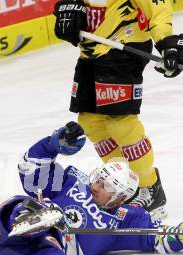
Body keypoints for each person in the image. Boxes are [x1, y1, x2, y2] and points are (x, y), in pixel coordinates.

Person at [0, 122, 183, 255]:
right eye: (99, 178)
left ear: (121, 198)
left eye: (106, 186)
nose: (97, 186)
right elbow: (31, 171)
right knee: (27, 205)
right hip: (4, 229)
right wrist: (53, 145)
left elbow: (156, 237)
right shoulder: (71, 182)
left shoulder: (126, 220)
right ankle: (31, 220)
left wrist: (179, 236)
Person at [52, 0, 183, 219]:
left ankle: (149, 189)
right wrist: (66, 7)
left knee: (120, 123)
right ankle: (122, 185)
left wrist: (167, 43)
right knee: (90, 123)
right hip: (90, 52)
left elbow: (157, 10)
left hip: (124, 48)